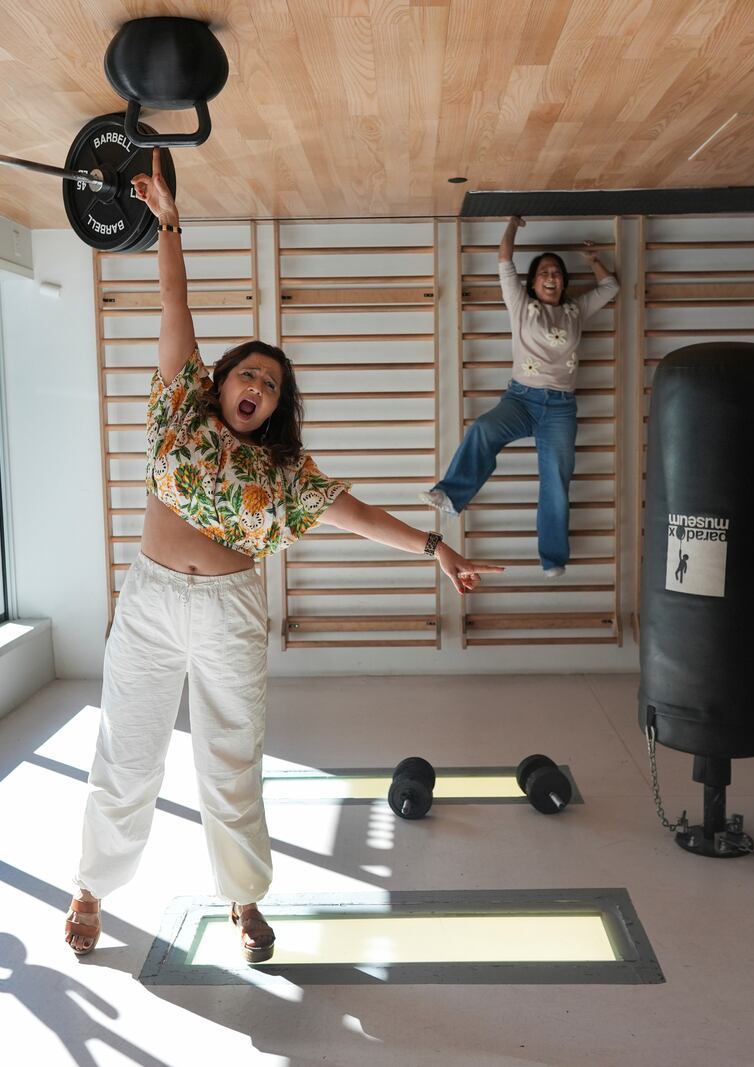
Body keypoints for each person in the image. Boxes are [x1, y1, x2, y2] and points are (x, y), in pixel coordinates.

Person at [64, 151, 503, 962]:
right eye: (247, 371)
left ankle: (242, 900)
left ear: (272, 409)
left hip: (228, 614)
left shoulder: (285, 476)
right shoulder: (178, 408)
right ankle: (92, 886)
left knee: (231, 761)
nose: (256, 384)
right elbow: (174, 304)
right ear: (220, 378)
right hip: (152, 601)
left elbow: (362, 515)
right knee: (128, 747)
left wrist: (436, 546)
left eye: (269, 384)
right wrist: (168, 222)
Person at [422, 216, 619, 577]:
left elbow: (609, 287)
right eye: (543, 272)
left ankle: (553, 558)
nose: (550, 277)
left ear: (564, 282)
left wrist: (593, 260)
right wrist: (512, 226)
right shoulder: (520, 304)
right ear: (533, 282)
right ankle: (451, 495)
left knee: (556, 481)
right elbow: (504, 262)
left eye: (557, 273)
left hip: (560, 407)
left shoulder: (576, 311)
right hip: (521, 400)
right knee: (483, 428)